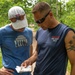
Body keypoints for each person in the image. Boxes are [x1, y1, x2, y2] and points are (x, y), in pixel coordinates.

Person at [21, 2, 75, 75]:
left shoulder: (67, 33)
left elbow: (74, 63)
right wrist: (29, 61)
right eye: (36, 22)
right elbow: (37, 52)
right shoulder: (40, 31)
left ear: (50, 14)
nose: (39, 24)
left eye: (40, 21)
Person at [0, 6, 33, 75]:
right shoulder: (2, 32)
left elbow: (30, 46)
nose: (21, 27)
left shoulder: (29, 32)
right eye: (18, 26)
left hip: (26, 72)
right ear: (11, 20)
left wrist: (30, 62)